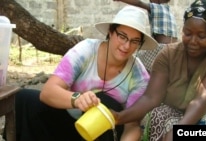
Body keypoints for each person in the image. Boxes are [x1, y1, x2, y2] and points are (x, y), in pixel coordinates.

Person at [9, 5, 158, 141]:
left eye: (135, 41)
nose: (126, 46)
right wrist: (77, 99)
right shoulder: (86, 50)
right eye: (122, 36)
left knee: (104, 102)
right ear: (111, 32)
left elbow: (132, 126)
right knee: (23, 98)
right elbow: (48, 92)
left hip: (102, 134)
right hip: (69, 120)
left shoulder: (139, 77)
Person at [111, 0, 206, 141]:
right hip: (174, 112)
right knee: (156, 114)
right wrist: (119, 117)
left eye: (201, 36)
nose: (193, 41)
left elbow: (202, 100)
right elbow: (151, 97)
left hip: (205, 113)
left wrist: (179, 130)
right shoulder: (169, 54)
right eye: (187, 33)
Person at [114, 0, 178, 72]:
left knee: (137, 59)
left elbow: (139, 3)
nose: (150, 1)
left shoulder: (158, 8)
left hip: (161, 48)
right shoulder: (169, 12)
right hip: (172, 49)